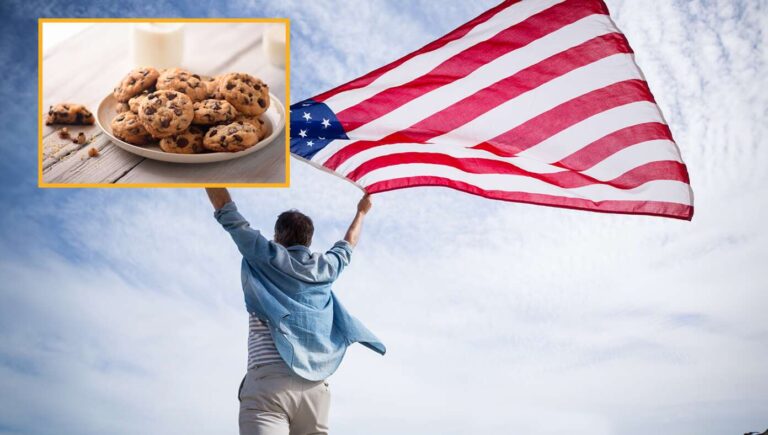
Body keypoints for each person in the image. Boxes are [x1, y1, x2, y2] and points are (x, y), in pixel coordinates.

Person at [205, 188, 385, 435]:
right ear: (308, 241)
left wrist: (205, 171)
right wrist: (361, 212)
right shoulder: (325, 268)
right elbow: (348, 243)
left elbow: (227, 211)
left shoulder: (264, 255)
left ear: (277, 235)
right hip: (315, 390)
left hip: (269, 384)